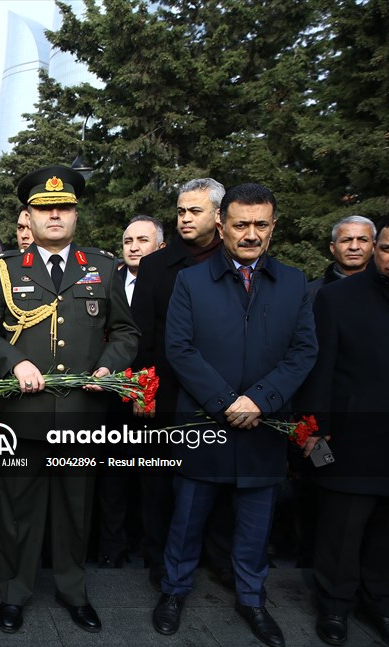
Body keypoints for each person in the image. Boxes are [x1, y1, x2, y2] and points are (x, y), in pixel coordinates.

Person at [0, 165, 139, 635]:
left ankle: (73, 591)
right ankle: (15, 594)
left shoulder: (102, 267)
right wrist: (13, 362)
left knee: (75, 510)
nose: (55, 216)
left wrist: (109, 367)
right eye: (45, 209)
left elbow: (126, 332)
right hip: (24, 417)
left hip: (82, 415)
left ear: (75, 214)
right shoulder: (6, 269)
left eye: (63, 207)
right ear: (30, 215)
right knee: (18, 512)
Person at [152, 183, 317, 647]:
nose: (250, 234)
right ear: (221, 225)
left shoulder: (294, 283)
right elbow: (179, 349)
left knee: (254, 525)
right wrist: (226, 401)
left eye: (260, 225)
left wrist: (260, 400)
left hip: (263, 427)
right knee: (186, 518)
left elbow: (304, 351)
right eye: (241, 224)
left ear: (273, 227)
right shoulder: (191, 281)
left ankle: (252, 599)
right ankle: (173, 591)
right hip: (205, 423)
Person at [129, 178, 232, 590]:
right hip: (166, 395)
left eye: (195, 211)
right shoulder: (157, 265)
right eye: (181, 211)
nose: (185, 219)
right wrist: (142, 390)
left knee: (219, 480)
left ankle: (217, 557)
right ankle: (158, 558)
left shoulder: (233, 261)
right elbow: (140, 336)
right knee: (159, 484)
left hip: (223, 396)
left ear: (218, 215)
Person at [299, 220, 389, 647]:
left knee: (387, 532)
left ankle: (381, 602)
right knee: (342, 527)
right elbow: (321, 370)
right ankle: (335, 605)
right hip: (351, 437)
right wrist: (316, 429)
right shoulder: (337, 298)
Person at [96, 215, 166, 568]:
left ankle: (152, 551)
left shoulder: (171, 281)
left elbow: (171, 343)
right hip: (109, 397)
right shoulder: (109, 279)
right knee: (112, 477)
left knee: (152, 479)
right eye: (128, 241)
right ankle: (112, 549)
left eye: (143, 240)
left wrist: (147, 391)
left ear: (160, 247)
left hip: (151, 399)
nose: (134, 247)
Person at [307, 216, 376, 300]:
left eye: (362, 240)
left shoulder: (388, 289)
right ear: (333, 248)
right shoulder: (309, 293)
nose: (354, 247)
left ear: (373, 247)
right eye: (346, 240)